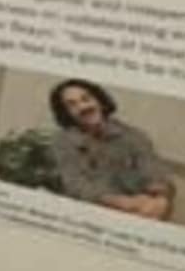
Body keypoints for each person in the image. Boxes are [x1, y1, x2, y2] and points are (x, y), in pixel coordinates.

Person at [45, 77, 175, 219]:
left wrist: (159, 199)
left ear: (100, 101)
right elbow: (77, 186)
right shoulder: (63, 142)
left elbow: (155, 172)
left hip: (140, 211)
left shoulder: (133, 136)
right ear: (66, 113)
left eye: (86, 99)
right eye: (72, 105)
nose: (83, 107)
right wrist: (125, 203)